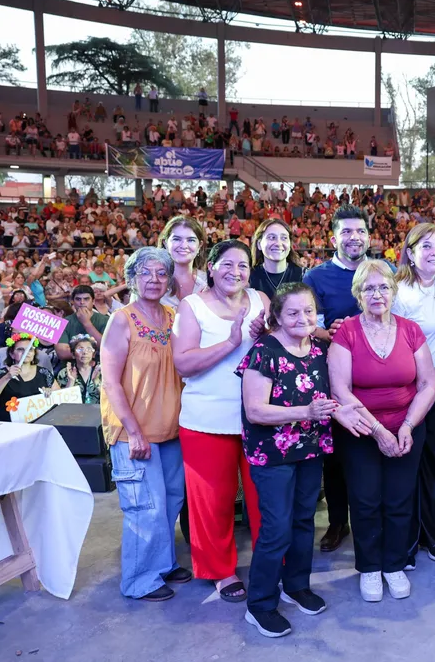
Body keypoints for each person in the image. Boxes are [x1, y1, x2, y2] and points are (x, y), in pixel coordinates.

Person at [238, 283, 370, 638]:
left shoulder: (319, 349)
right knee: (276, 529)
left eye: (309, 311)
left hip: (310, 449)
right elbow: (255, 411)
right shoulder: (264, 350)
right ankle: (260, 604)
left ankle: (295, 585)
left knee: (303, 522)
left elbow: (331, 397)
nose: (303, 318)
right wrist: (307, 412)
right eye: (293, 312)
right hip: (273, 455)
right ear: (277, 316)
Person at [328, 259, 435, 602]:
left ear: (394, 291)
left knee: (399, 498)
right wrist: (378, 430)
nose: (377, 294)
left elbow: (428, 383)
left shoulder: (410, 329)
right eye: (369, 288)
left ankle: (394, 565)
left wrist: (406, 425)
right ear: (358, 294)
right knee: (365, 501)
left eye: (384, 287)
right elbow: (340, 390)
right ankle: (370, 568)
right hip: (361, 430)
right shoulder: (346, 332)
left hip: (407, 428)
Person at [172, 240, 267, 603]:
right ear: (209, 267)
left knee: (265, 497)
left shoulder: (260, 300)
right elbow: (184, 363)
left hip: (259, 416)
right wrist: (231, 342)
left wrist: (265, 336)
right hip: (207, 420)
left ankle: (271, 560)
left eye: (243, 265)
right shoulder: (192, 306)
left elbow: (279, 347)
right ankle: (220, 570)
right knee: (212, 502)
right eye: (227, 264)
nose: (235, 272)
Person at [100, 247, 189, 601]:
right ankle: (139, 580)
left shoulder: (173, 316)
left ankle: (162, 564)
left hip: (171, 431)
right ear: (132, 278)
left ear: (169, 279)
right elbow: (110, 382)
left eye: (161, 273)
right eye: (146, 273)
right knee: (143, 509)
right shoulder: (121, 319)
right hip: (133, 433)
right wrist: (133, 431)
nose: (154, 280)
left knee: (169, 502)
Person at [302, 205, 371, 553]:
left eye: (359, 231)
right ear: (334, 238)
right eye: (346, 231)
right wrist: (327, 332)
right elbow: (304, 323)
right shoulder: (317, 277)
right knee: (336, 457)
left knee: (372, 449)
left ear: (369, 237)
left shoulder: (382, 271)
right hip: (333, 375)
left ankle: (371, 521)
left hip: (377, 375)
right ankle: (337, 523)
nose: (354, 237)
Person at [393, 223, 435, 564]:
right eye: (426, 247)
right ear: (410, 252)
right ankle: (405, 542)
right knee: (408, 465)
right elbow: (392, 342)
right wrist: (429, 372)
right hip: (412, 388)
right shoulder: (399, 292)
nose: (434, 253)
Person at [0, 333, 58, 422]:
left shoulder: (44, 373)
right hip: (10, 427)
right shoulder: (2, 373)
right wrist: (7, 377)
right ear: (11, 354)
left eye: (30, 349)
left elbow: (60, 397)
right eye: (20, 349)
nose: (25, 353)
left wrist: (50, 393)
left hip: (39, 426)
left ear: (34, 353)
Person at [158, 216, 209, 310]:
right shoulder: (153, 281)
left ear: (199, 246)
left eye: (191, 240)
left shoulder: (209, 283)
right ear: (165, 243)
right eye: (177, 239)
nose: (184, 246)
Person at [248, 218, 305, 297]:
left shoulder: (303, 275)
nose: (278, 243)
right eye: (272, 237)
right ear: (259, 244)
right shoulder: (249, 277)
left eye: (284, 238)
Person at [56, 285, 109, 361]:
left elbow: (106, 348)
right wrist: (93, 352)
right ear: (72, 302)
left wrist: (87, 323)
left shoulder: (106, 320)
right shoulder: (63, 322)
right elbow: (62, 353)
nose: (82, 302)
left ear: (93, 301)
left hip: (99, 366)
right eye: (78, 299)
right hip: (70, 368)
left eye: (86, 299)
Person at [55, 334, 102, 404]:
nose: (85, 352)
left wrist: (97, 381)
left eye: (89, 349)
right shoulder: (64, 373)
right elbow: (60, 402)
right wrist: (70, 381)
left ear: (94, 354)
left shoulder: (102, 372)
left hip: (98, 412)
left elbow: (111, 400)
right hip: (73, 413)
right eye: (80, 349)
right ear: (73, 354)